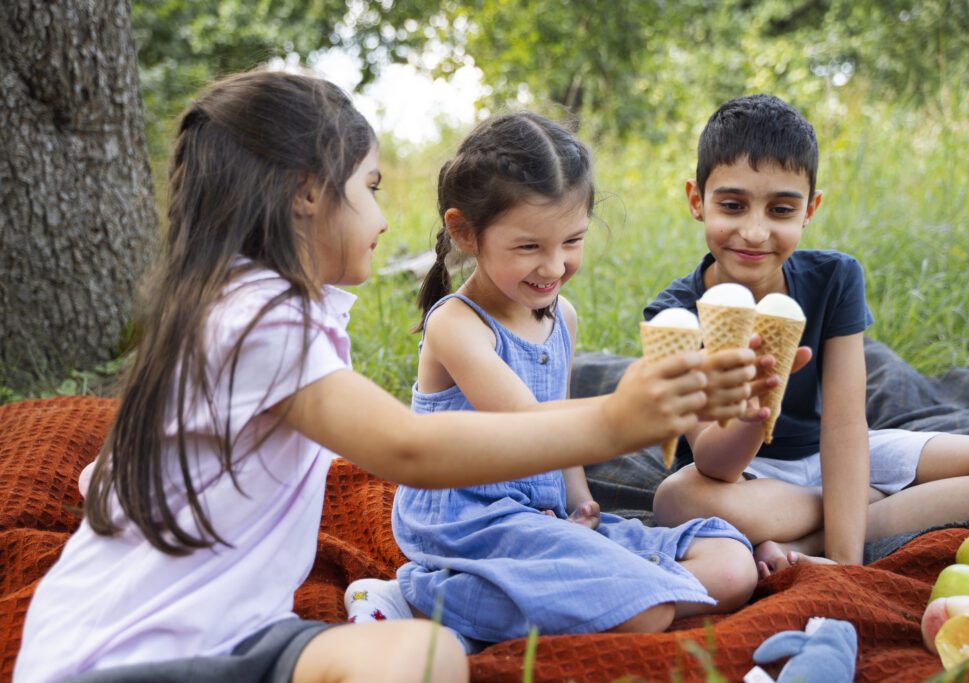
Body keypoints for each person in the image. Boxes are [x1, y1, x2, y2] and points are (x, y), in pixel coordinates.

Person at [14, 72, 728, 683]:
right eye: (371, 186)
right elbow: (408, 448)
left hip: (239, 635)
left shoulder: (252, 306)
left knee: (427, 652)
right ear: (305, 192)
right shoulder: (253, 321)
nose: (385, 218)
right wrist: (615, 421)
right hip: (131, 655)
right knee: (424, 657)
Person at [344, 112, 762, 650]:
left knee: (733, 567)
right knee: (646, 610)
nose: (554, 265)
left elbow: (561, 437)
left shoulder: (560, 315)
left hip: (540, 517)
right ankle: (419, 598)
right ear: (464, 232)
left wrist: (579, 504)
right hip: (470, 524)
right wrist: (633, 407)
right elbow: (529, 426)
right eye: (528, 247)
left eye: (572, 240)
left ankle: (534, 603)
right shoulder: (457, 325)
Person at [647, 94, 969, 577]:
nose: (755, 231)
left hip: (840, 454)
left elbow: (845, 427)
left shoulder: (836, 277)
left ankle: (813, 535)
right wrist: (752, 406)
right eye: (733, 205)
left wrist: (842, 561)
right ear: (697, 201)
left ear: (810, 209)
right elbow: (713, 464)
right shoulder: (674, 314)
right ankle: (857, 507)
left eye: (781, 210)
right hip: (749, 477)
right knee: (676, 499)